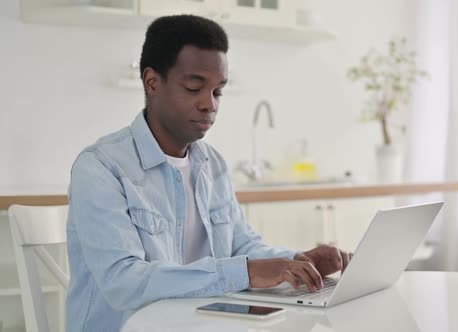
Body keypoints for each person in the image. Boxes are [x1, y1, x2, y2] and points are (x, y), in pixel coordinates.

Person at [65, 14, 351, 331]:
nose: (209, 105)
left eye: (217, 92)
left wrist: (299, 261)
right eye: (193, 87)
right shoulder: (101, 167)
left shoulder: (211, 165)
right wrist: (245, 271)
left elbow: (243, 248)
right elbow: (123, 282)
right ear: (152, 82)